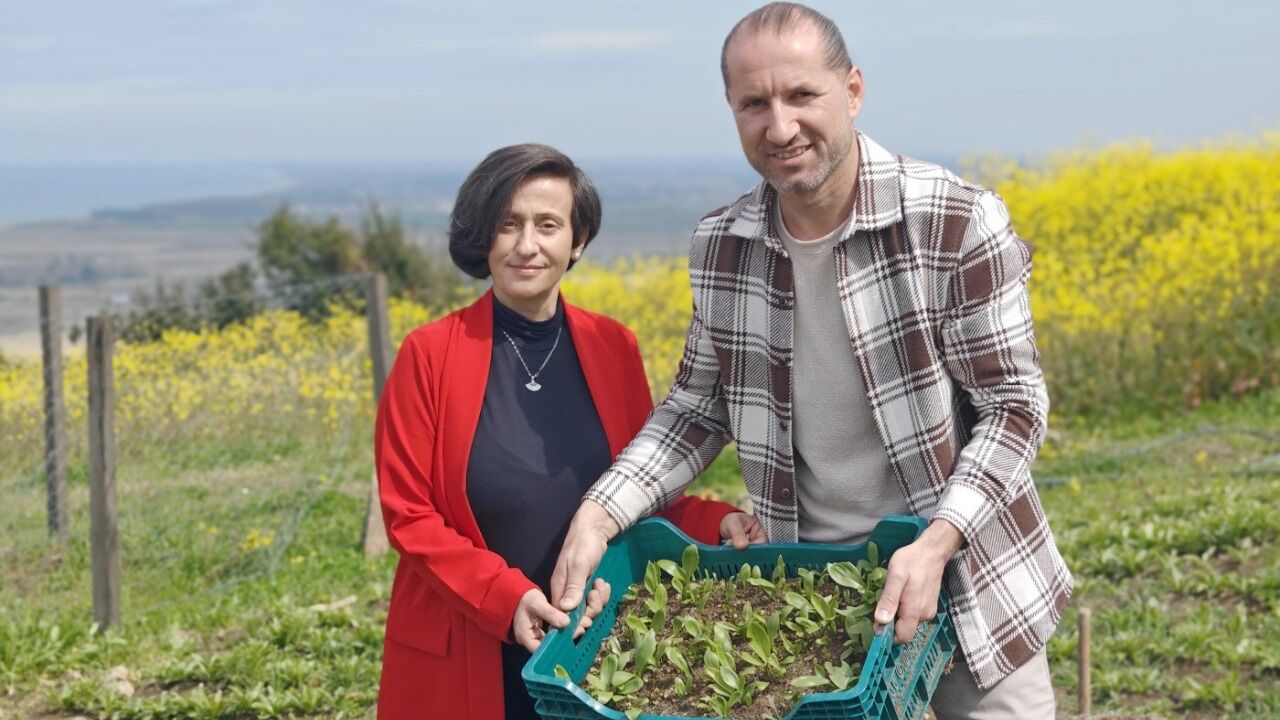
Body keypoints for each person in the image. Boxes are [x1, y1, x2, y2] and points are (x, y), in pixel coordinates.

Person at [551, 4, 1072, 718]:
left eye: (802, 95)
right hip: (815, 595)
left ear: (852, 91)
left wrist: (934, 544)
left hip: (969, 575)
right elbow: (698, 409)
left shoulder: (953, 219)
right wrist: (601, 512)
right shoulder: (721, 245)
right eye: (754, 104)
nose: (781, 126)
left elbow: (1014, 408)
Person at [373, 143, 763, 720]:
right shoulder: (428, 355)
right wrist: (506, 599)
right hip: (464, 651)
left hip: (586, 645)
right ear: (485, 238)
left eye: (548, 225)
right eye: (508, 225)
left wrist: (713, 520)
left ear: (576, 242)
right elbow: (409, 516)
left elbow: (636, 489)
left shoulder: (613, 346)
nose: (527, 245)